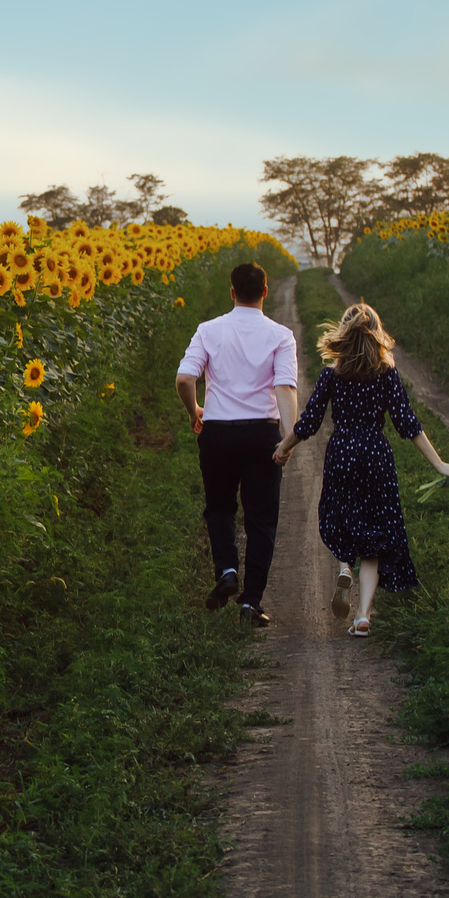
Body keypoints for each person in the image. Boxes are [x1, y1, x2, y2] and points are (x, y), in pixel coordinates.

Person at [272, 302, 449, 637]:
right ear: (376, 334)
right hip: (375, 454)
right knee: (374, 537)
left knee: (340, 518)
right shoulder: (386, 374)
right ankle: (363, 617)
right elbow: (408, 424)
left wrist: (283, 447)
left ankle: (345, 566)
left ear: (344, 333)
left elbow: (310, 422)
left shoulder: (332, 373)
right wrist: (440, 464)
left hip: (342, 452)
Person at [175, 262, 299, 628]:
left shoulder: (209, 330)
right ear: (265, 292)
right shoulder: (280, 335)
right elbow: (285, 388)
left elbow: (184, 379)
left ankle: (227, 569)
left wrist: (194, 411)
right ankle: (251, 602)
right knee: (261, 520)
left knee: (219, 507)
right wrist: (288, 437)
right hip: (261, 433)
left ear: (231, 292)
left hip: (217, 433)